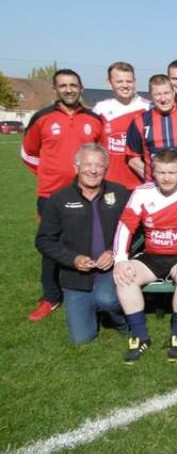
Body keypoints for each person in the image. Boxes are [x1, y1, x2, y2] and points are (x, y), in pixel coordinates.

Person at [112, 150, 177, 364]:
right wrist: (120, 260)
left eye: (171, 172)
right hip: (152, 256)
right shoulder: (141, 192)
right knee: (125, 277)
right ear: (153, 172)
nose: (166, 178)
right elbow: (125, 226)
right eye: (161, 172)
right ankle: (140, 336)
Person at [22, 69, 105, 321]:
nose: (69, 89)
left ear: (81, 87)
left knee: (87, 240)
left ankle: (90, 288)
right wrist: (48, 174)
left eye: (73, 85)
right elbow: (28, 153)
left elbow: (101, 155)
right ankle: (50, 297)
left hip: (87, 193)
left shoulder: (94, 119)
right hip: (51, 194)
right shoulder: (42, 117)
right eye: (63, 85)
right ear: (55, 89)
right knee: (50, 244)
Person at [35, 144, 129, 343]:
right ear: (76, 167)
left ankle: (121, 321)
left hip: (110, 270)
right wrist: (73, 259)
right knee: (81, 339)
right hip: (75, 275)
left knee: (107, 299)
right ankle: (93, 304)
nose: (93, 170)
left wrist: (113, 252)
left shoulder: (120, 193)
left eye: (99, 165)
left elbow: (135, 232)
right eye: (88, 164)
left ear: (106, 169)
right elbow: (44, 240)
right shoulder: (59, 198)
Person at [126, 74, 177, 181]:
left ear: (173, 93)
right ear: (150, 96)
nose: (163, 99)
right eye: (157, 94)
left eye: (167, 93)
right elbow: (133, 159)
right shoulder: (139, 122)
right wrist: (153, 178)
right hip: (155, 186)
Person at [94, 61, 149, 190]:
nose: (125, 85)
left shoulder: (148, 108)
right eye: (119, 81)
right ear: (109, 82)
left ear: (135, 82)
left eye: (129, 81)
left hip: (141, 185)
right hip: (110, 184)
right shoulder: (100, 109)